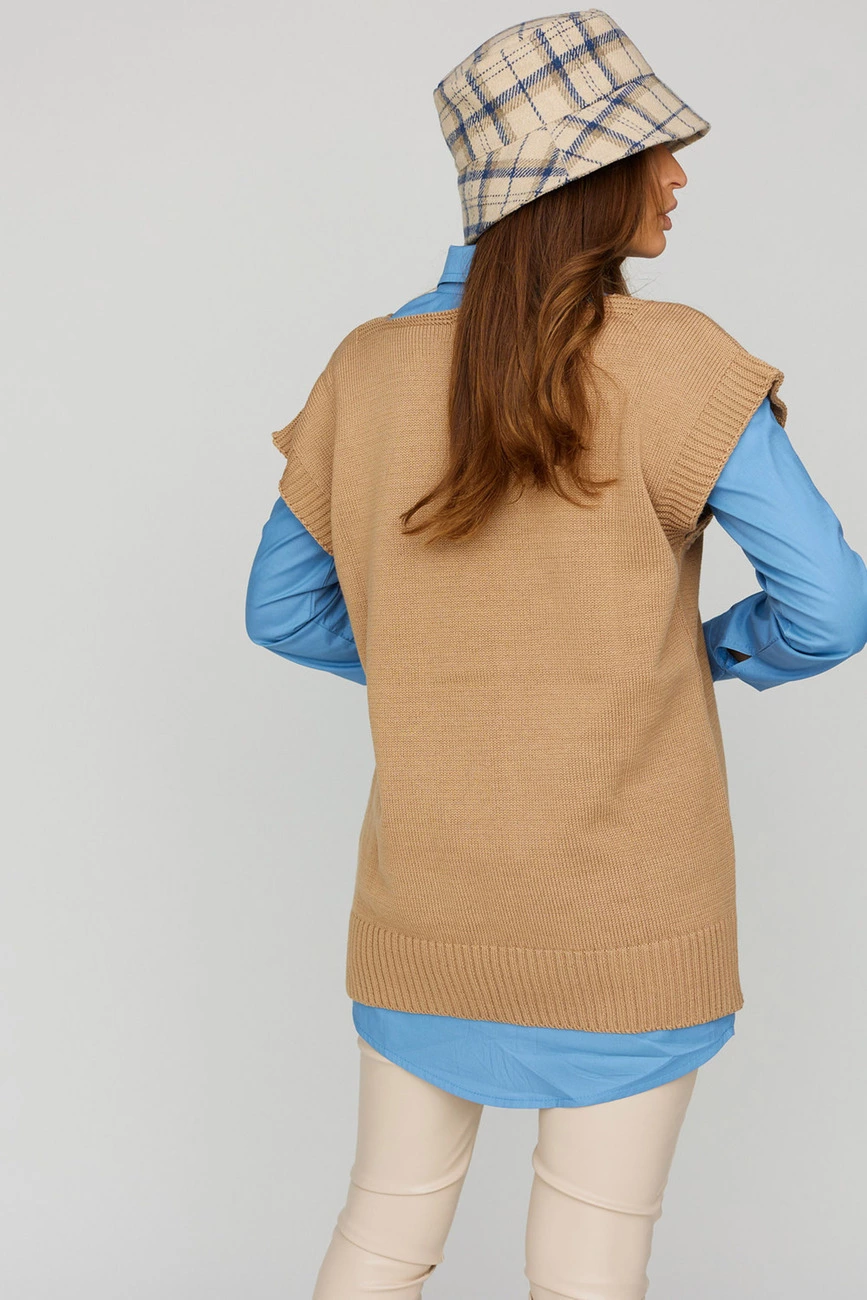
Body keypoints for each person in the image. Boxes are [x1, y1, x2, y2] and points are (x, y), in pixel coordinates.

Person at [245, 11, 867, 1299]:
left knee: (383, 1233)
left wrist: (444, 669)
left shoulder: (367, 370)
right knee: (591, 1257)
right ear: (586, 181)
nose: (678, 175)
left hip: (428, 911)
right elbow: (830, 608)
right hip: (625, 923)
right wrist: (697, 656)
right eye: (654, 151)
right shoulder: (680, 363)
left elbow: (281, 611)